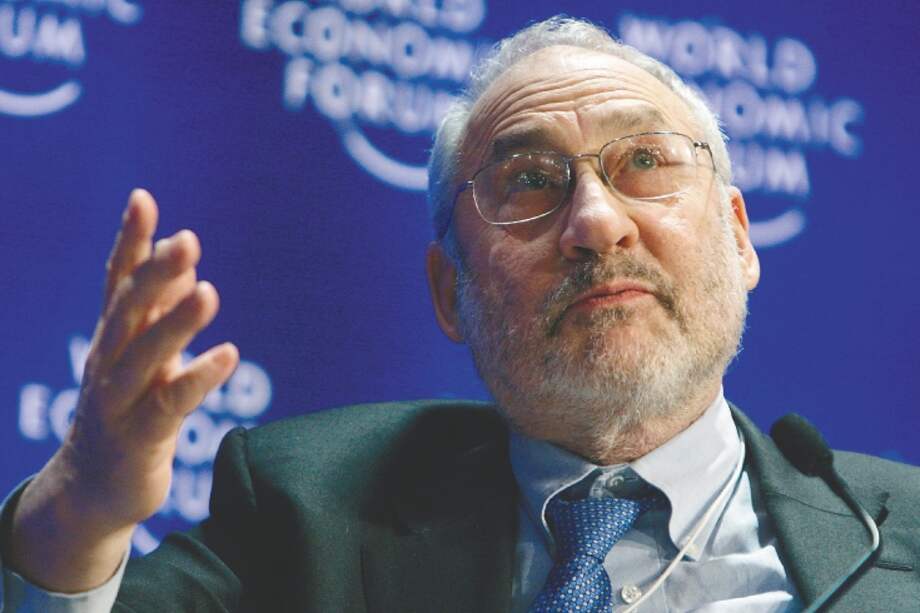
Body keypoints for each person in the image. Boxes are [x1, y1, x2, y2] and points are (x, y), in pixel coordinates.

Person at [2, 15, 918, 613]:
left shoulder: (896, 538)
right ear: (452, 294)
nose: (596, 221)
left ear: (739, 237)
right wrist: (76, 511)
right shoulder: (306, 506)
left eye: (642, 161)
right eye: (528, 181)